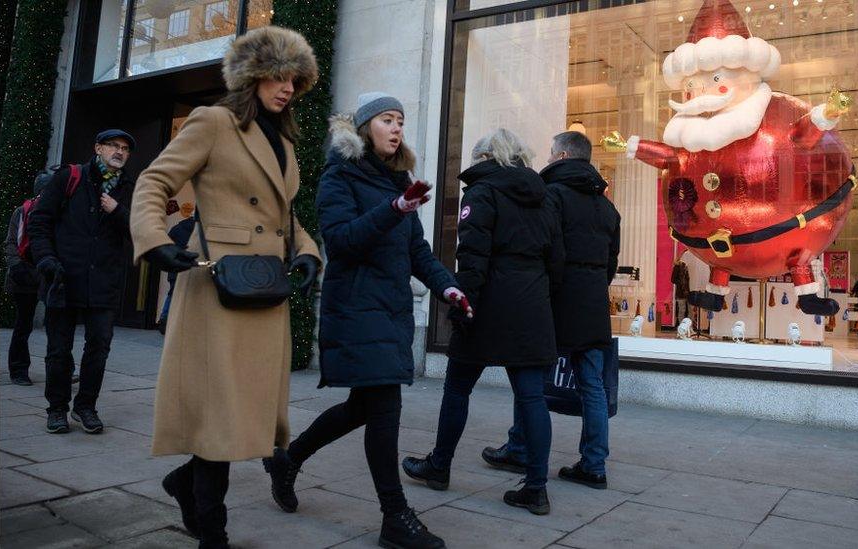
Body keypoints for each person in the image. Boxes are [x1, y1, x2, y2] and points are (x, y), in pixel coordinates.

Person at [129, 27, 321, 549]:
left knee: (240, 417)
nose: (286, 88)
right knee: (219, 419)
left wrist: (306, 252)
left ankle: (183, 485)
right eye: (277, 76)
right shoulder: (213, 122)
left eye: (294, 80)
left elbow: (286, 214)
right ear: (252, 77)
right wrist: (153, 239)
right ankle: (213, 532)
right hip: (217, 285)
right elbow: (154, 181)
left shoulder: (283, 141)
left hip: (265, 290)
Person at [259, 92, 462, 549]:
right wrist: (394, 210)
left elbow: (416, 252)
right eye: (387, 119)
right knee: (384, 409)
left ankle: (287, 461)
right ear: (365, 126)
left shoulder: (398, 180)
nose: (396, 128)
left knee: (362, 408)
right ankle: (394, 515)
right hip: (354, 307)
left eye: (401, 121)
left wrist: (447, 287)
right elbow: (342, 241)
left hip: (389, 309)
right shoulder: (340, 175)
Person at [401, 129, 563, 516]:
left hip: (489, 304)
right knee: (532, 398)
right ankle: (536, 488)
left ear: (486, 157)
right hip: (532, 305)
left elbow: (472, 258)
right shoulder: (545, 197)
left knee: (458, 388)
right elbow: (557, 261)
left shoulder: (481, 192)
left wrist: (460, 305)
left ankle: (439, 466)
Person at [479, 131, 620, 489]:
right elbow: (610, 263)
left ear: (560, 156)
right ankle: (594, 465)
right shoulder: (607, 206)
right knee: (593, 386)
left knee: (532, 379)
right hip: (591, 304)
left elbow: (544, 246)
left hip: (554, 299)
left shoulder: (551, 195)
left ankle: (521, 447)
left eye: (551, 152)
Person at [27, 129, 137, 434]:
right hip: (63, 278)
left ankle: (86, 407)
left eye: (125, 148)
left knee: (99, 348)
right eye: (113, 146)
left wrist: (118, 212)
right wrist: (46, 259)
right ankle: (57, 409)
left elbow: (140, 230)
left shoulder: (129, 187)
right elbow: (39, 222)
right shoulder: (70, 177)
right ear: (98, 148)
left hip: (104, 282)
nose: (119, 151)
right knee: (59, 350)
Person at [2, 170, 53, 385]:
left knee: (57, 327)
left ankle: (58, 373)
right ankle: (18, 370)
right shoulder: (20, 212)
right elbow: (10, 243)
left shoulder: (57, 213)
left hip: (47, 273)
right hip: (24, 274)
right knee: (23, 325)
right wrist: (17, 267)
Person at [156, 211, 196, 334]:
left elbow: (165, 245)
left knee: (172, 294)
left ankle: (164, 319)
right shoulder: (199, 230)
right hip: (192, 268)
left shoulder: (177, 228)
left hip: (175, 268)